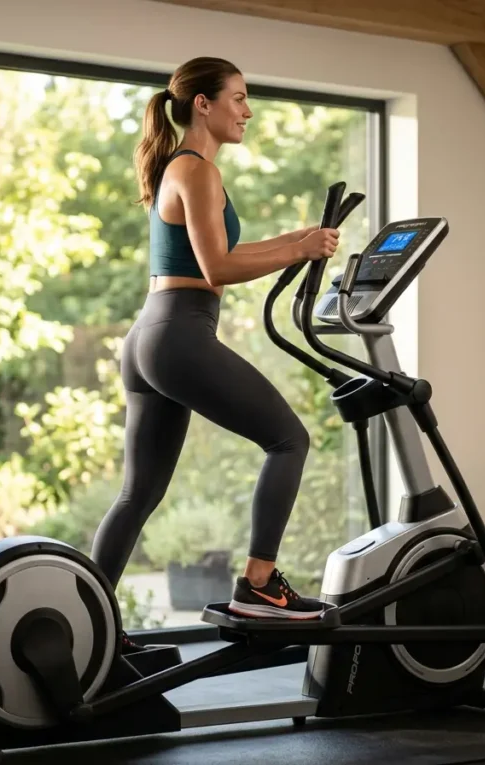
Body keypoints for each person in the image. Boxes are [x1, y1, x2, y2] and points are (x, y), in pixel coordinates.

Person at [89, 56, 341, 650]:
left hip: (151, 334)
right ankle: (259, 587)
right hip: (179, 333)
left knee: (138, 495)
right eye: (238, 98)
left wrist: (300, 241)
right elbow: (219, 266)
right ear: (203, 104)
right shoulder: (198, 169)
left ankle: (90, 624)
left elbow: (223, 248)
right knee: (289, 440)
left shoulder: (182, 167)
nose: (247, 111)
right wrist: (296, 252)